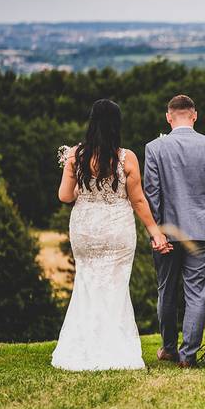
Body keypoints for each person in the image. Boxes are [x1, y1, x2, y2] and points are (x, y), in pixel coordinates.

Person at [51, 99, 171, 371]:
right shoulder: (126, 158)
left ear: (91, 123)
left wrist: (85, 193)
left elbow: (64, 196)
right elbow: (138, 200)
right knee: (115, 286)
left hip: (84, 228)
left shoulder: (75, 156)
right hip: (117, 228)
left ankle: (82, 347)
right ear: (117, 125)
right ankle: (114, 348)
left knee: (87, 283)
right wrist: (156, 233)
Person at [143, 94, 205, 368]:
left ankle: (168, 348)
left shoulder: (154, 148)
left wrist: (156, 233)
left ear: (168, 117)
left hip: (167, 231)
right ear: (194, 115)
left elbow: (151, 195)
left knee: (166, 290)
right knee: (197, 293)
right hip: (203, 230)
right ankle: (188, 356)